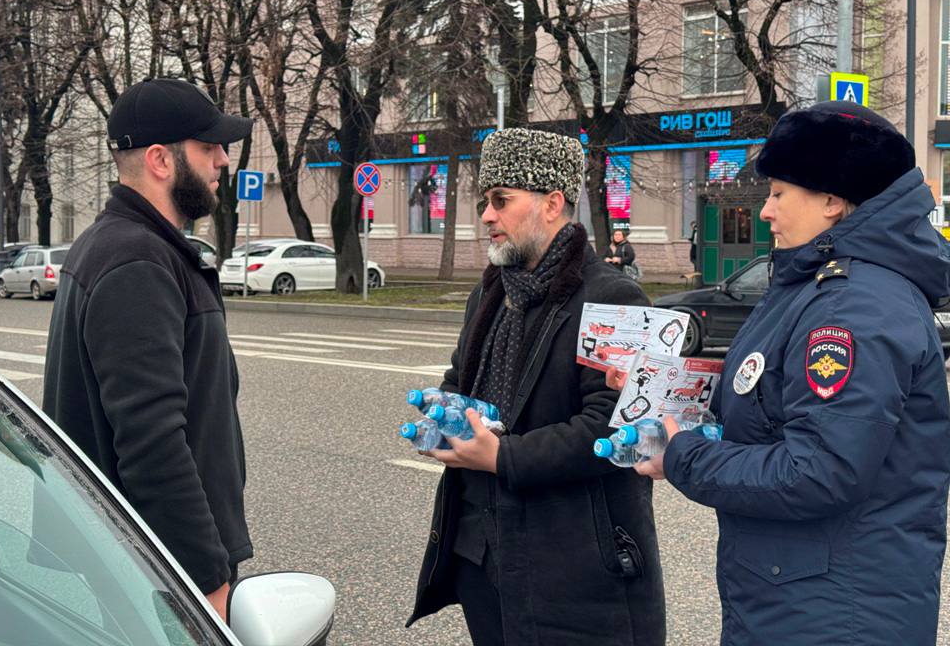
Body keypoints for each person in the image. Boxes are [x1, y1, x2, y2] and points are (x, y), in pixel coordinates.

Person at [632, 101, 950, 645]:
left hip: (834, 616)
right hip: (804, 598)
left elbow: (818, 471)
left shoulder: (852, 306)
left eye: (779, 193)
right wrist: (669, 391)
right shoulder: (817, 287)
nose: (765, 211)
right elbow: (769, 394)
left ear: (831, 200)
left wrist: (683, 455)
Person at [407, 128, 666, 646]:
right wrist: (445, 418)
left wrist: (501, 456)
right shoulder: (489, 292)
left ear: (552, 203)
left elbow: (618, 429)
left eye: (501, 200)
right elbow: (459, 380)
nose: (487, 215)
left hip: (574, 572)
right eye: (485, 202)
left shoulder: (613, 297)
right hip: (481, 555)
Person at [42, 78, 254, 621]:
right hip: (154, 568)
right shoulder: (137, 261)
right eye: (209, 147)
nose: (223, 161)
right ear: (161, 160)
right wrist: (204, 578)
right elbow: (151, 440)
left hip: (137, 554)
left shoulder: (123, 245)